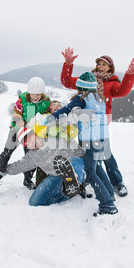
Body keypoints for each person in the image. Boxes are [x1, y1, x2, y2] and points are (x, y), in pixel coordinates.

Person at [60, 48, 134, 197]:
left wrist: (130, 73)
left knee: (106, 155)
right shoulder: (87, 79)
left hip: (100, 126)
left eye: (104, 64)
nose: (100, 66)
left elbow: (123, 91)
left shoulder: (112, 84)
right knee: (85, 154)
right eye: (99, 63)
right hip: (84, 125)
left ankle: (117, 183)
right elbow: (66, 82)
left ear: (110, 68)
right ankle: (85, 181)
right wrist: (68, 64)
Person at [44, 71, 117, 217]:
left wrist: (50, 118)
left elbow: (65, 110)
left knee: (90, 173)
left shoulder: (81, 98)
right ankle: (108, 193)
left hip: (90, 138)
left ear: (81, 87)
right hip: (102, 137)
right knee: (96, 166)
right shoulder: (100, 98)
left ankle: (107, 204)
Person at [0, 77, 51, 197]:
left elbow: (48, 115)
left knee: (31, 157)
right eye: (33, 94)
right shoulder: (22, 100)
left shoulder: (47, 101)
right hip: (17, 129)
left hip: (33, 132)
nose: (36, 97)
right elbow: (16, 116)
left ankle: (27, 179)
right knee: (7, 153)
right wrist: (23, 130)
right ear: (29, 92)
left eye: (38, 94)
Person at [5, 126, 86, 207]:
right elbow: (20, 165)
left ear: (34, 134)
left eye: (30, 140)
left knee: (73, 164)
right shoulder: (33, 156)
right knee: (34, 201)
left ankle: (75, 180)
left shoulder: (52, 136)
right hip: (57, 175)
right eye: (27, 144)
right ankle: (69, 192)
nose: (31, 144)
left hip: (75, 161)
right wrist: (2, 170)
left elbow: (77, 148)